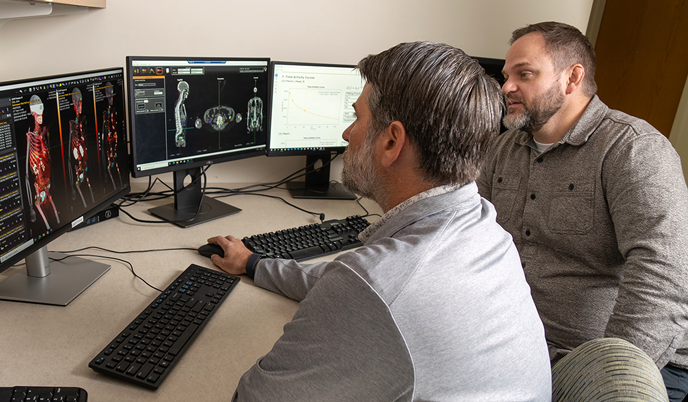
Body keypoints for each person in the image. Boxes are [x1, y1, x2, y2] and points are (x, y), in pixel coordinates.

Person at [207, 41, 551, 401]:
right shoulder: (485, 227)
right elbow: (358, 288)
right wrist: (253, 263)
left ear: (391, 142)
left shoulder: (378, 282)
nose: (346, 134)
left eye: (356, 118)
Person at [476, 21, 688, 401]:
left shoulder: (633, 150)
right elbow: (475, 239)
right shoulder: (502, 150)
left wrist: (608, 376)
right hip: (526, 347)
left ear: (573, 77)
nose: (506, 87)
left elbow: (663, 276)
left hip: (632, 362)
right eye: (506, 76)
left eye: (524, 74)